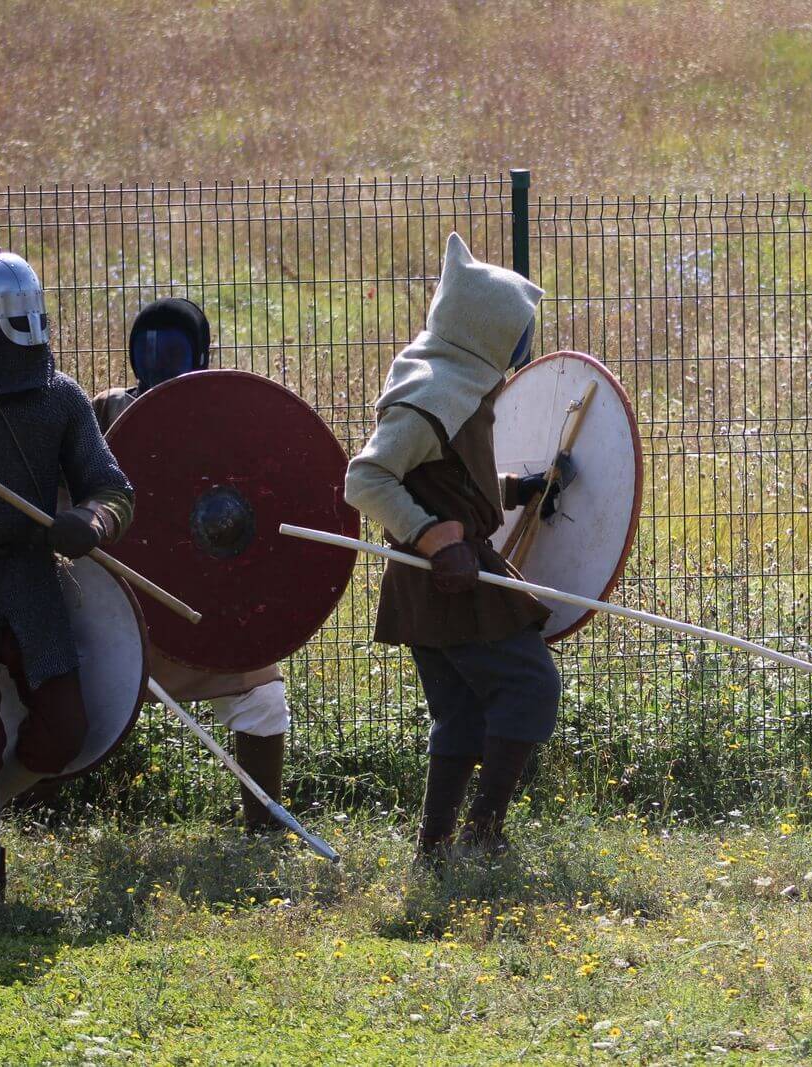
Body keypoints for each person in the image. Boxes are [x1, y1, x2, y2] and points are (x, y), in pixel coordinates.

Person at [344, 233, 571, 864]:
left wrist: (516, 490)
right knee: (529, 686)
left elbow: (446, 476)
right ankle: (482, 834)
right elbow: (366, 478)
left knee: (465, 713)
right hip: (445, 576)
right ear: (488, 329)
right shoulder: (428, 398)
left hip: (439, 578)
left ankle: (435, 849)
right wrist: (431, 536)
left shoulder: (456, 384)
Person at [0, 252, 135, 899]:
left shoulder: (59, 396)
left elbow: (113, 489)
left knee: (63, 727)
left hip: (32, 575)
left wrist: (91, 521)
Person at [90, 298, 290, 831]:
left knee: (261, 694)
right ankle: (21, 811)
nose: (158, 361)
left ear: (199, 355)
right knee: (58, 692)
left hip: (207, 603)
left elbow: (270, 499)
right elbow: (71, 494)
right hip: (119, 606)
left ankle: (264, 825)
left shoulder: (227, 414)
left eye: (172, 351)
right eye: (147, 350)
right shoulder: (107, 411)